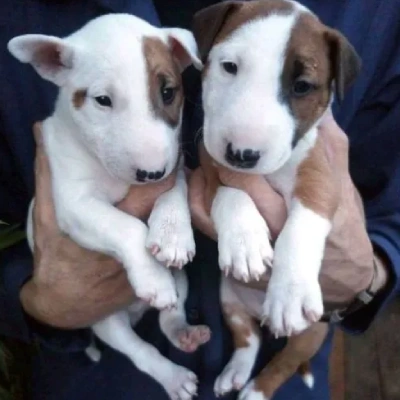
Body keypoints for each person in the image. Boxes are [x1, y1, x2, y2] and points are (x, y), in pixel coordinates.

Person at [0, 0, 399, 399]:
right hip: (95, 381)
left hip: (280, 366)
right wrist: (31, 299)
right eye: (227, 67)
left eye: (300, 87)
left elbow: (390, 209)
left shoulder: (376, 14)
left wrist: (368, 277)